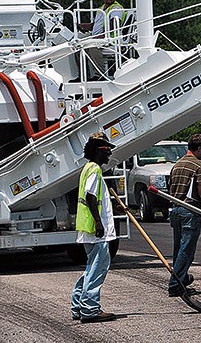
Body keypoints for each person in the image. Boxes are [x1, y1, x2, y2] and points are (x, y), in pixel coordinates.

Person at [70, 133, 120, 323]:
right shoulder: (95, 170)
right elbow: (91, 197)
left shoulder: (87, 168)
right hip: (95, 230)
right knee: (98, 269)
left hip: (87, 229)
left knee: (91, 268)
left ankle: (78, 306)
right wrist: (99, 224)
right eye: (107, 151)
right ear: (99, 151)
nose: (109, 155)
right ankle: (90, 309)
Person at [166, 133, 201, 297]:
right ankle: (175, 284)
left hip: (176, 210)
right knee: (187, 250)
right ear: (199, 149)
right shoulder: (199, 167)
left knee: (178, 248)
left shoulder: (177, 165)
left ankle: (182, 277)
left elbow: (170, 187)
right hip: (190, 210)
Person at [82, 0, 129, 79]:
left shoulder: (116, 8)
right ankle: (83, 75)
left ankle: (100, 75)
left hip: (111, 38)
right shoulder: (101, 9)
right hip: (98, 37)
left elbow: (114, 25)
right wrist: (78, 24)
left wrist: (101, 36)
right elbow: (94, 25)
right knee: (77, 46)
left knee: (92, 47)